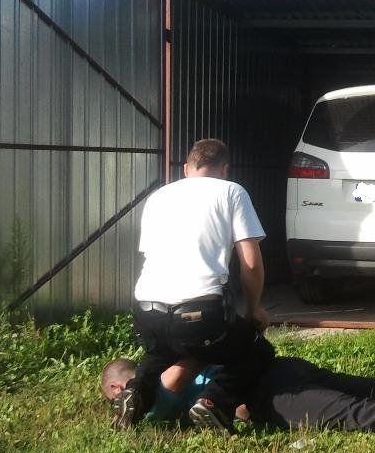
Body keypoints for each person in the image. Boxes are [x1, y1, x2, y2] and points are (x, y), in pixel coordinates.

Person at [112, 138, 275, 433]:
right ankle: (214, 403)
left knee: (162, 352)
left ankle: (136, 392)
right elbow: (251, 264)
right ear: (224, 170)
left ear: (186, 169)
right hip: (200, 316)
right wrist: (253, 311)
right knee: (256, 350)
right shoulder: (232, 192)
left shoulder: (158, 197)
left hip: (148, 311)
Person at [101, 355, 375, 443]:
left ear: (121, 391)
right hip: (284, 368)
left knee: (359, 413)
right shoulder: (179, 357)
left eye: (112, 399)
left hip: (277, 395)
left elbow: (143, 419)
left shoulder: (156, 400)